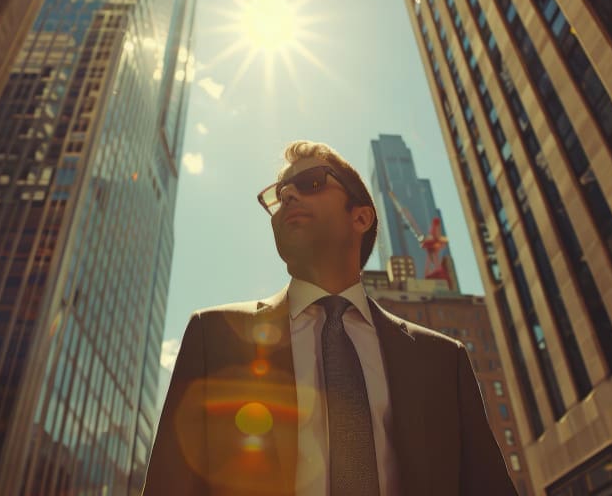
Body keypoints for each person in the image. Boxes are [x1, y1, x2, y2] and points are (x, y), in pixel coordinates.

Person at [143, 141, 517, 495]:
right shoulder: (213, 337)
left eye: (311, 183)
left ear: (361, 217)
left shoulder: (443, 361)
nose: (288, 195)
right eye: (278, 194)